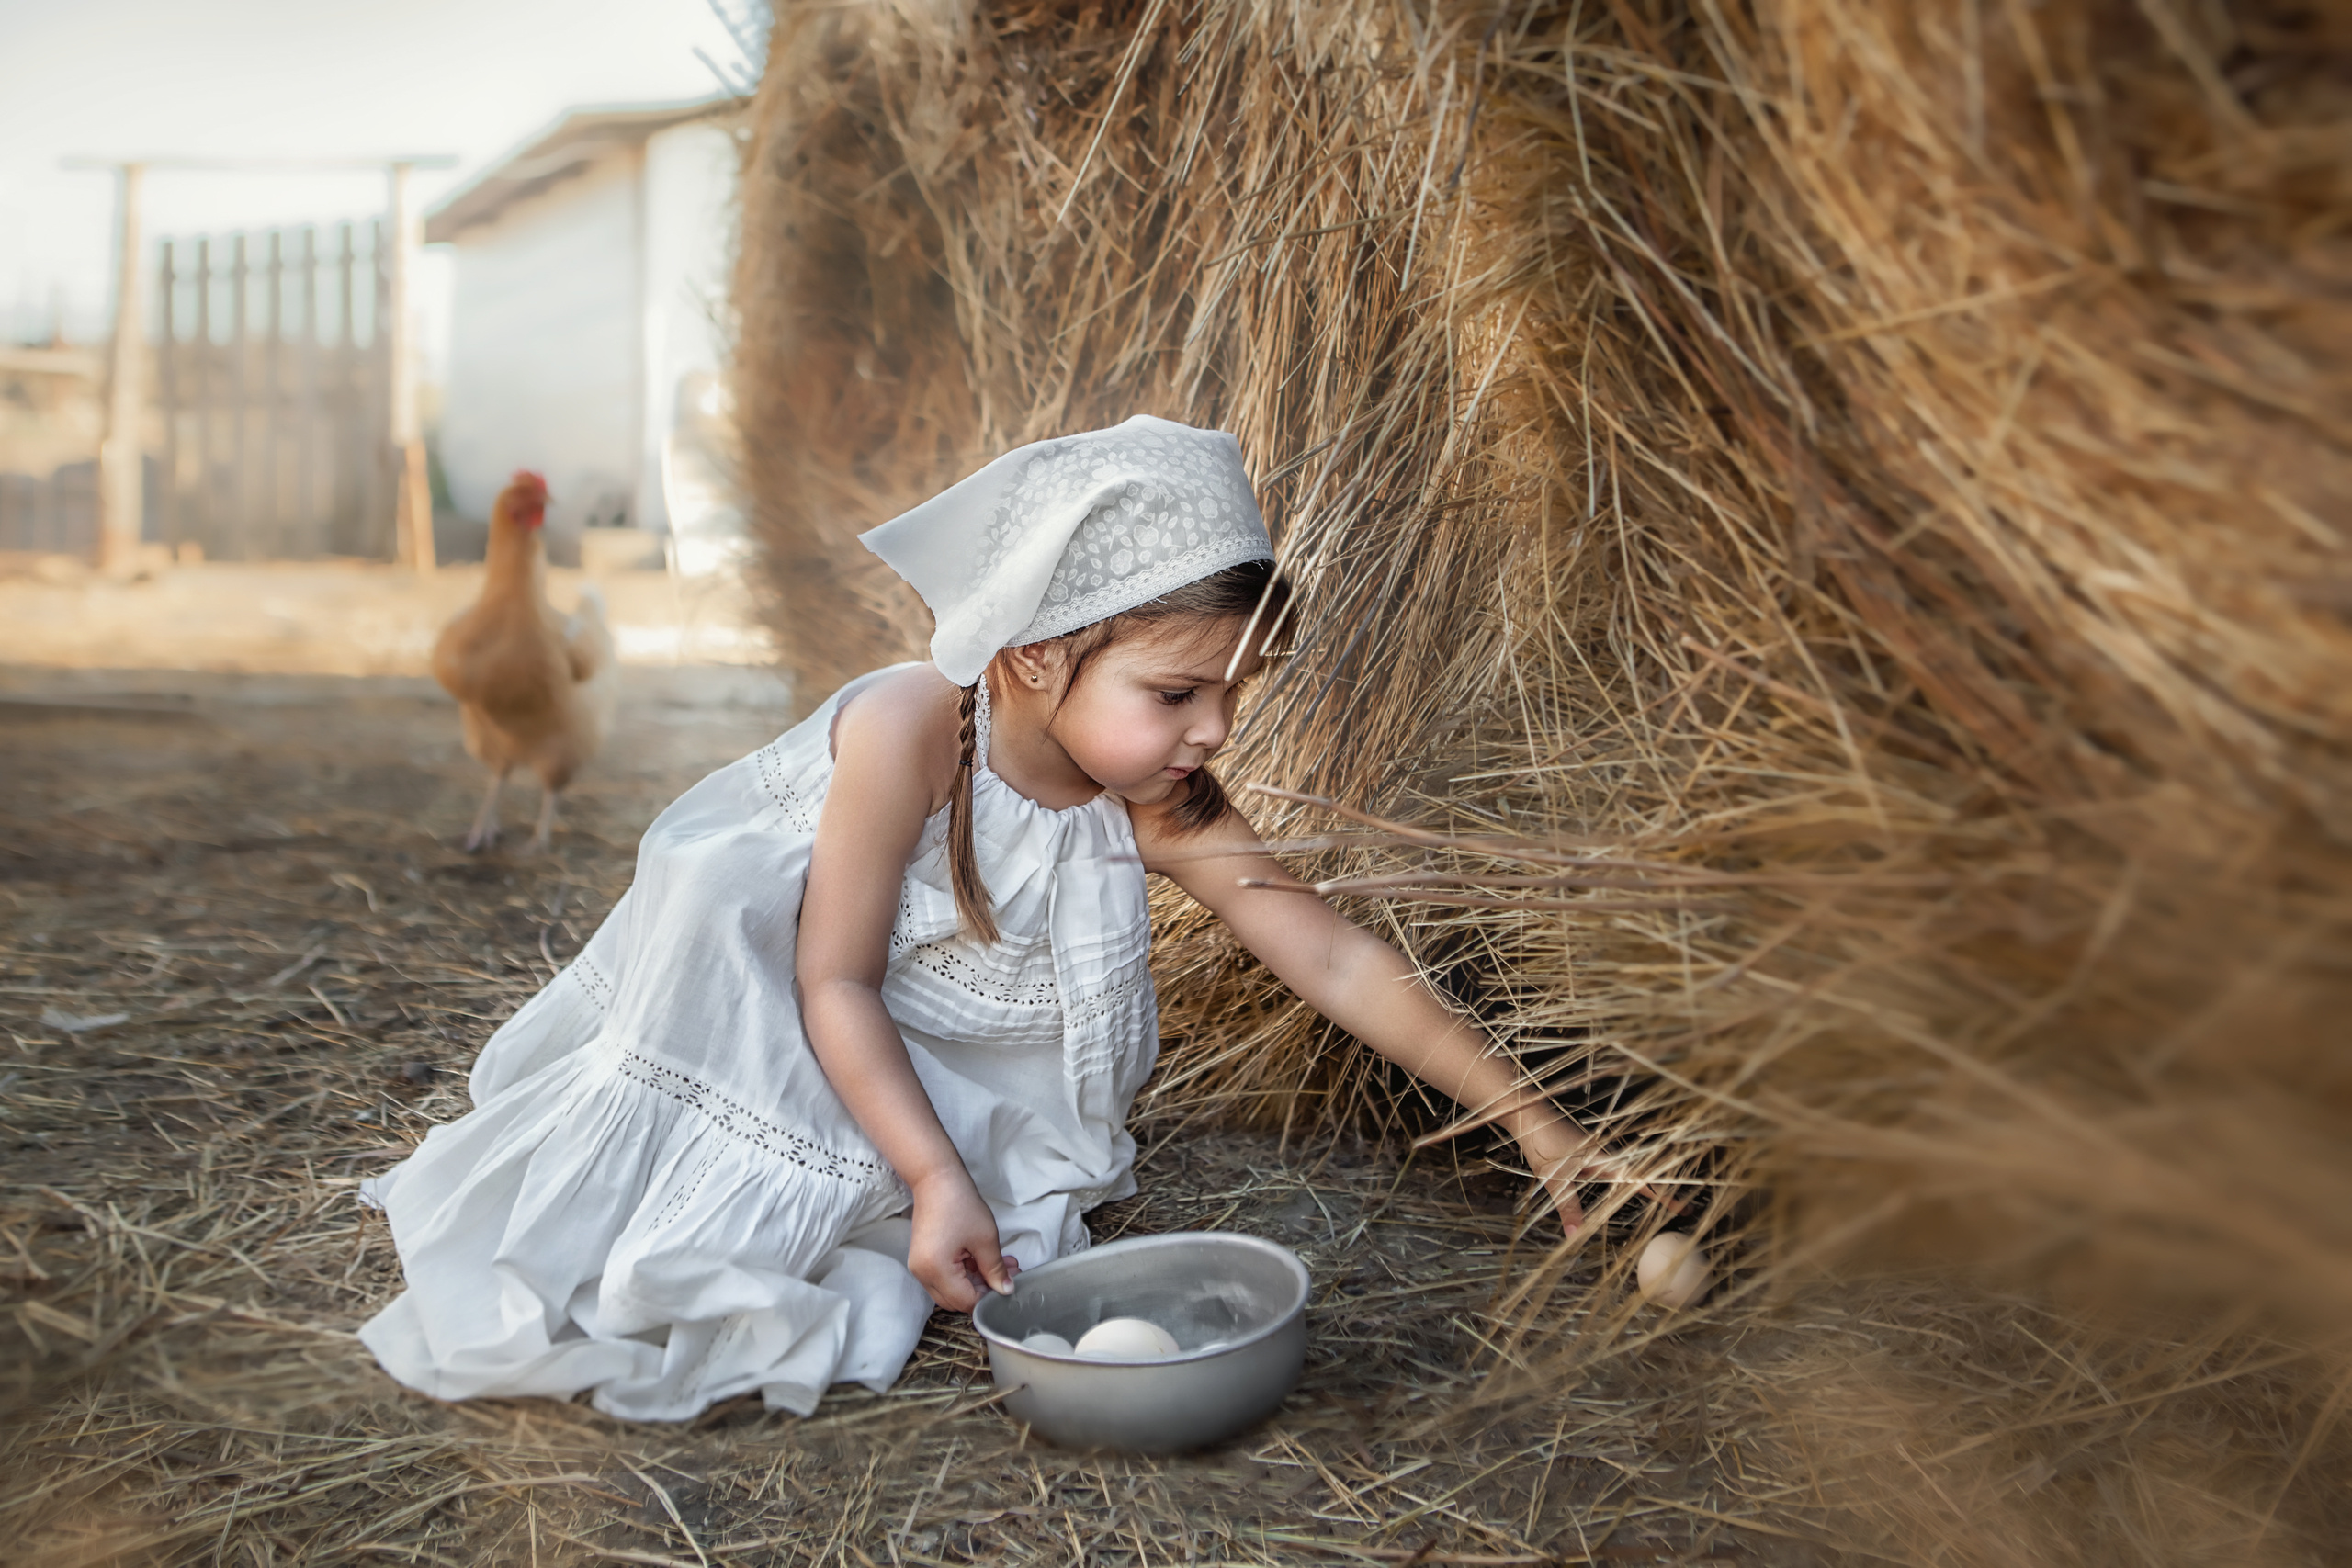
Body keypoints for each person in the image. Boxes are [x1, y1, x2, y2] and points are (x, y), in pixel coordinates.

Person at [358, 416, 1592, 1422]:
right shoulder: (915, 729)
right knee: (723, 1221)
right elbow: (828, 981)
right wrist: (938, 1177)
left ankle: (908, 1156)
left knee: (958, 1202)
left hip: (911, 1037)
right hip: (768, 994)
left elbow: (1330, 954)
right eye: (1178, 691)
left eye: (1234, 693)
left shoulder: (1159, 800)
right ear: (1037, 656)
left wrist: (1530, 1119)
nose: (1215, 732)